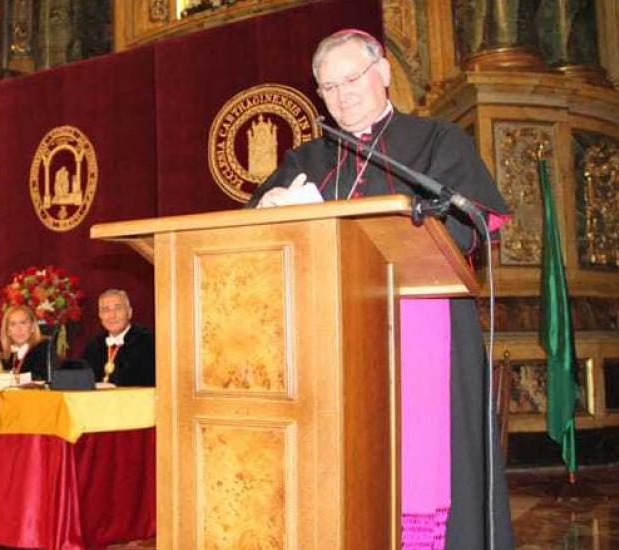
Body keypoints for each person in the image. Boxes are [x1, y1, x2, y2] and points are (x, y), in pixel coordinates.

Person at [247, 29, 513, 549]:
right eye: (328, 87)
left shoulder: (436, 141)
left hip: (421, 327)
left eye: (352, 79)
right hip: (325, 336)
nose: (342, 94)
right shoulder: (307, 160)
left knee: (431, 460)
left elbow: (471, 221)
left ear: (384, 74)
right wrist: (271, 206)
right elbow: (255, 233)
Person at [81, 289, 155, 386]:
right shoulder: (93, 347)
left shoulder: (149, 343)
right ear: (100, 315)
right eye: (106, 310)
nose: (112, 315)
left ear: (129, 312)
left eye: (118, 308)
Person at [0, 304, 57, 382]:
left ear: (32, 327)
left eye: (23, 323)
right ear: (8, 331)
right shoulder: (7, 357)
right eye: (13, 324)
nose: (19, 329)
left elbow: (42, 378)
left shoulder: (43, 348)